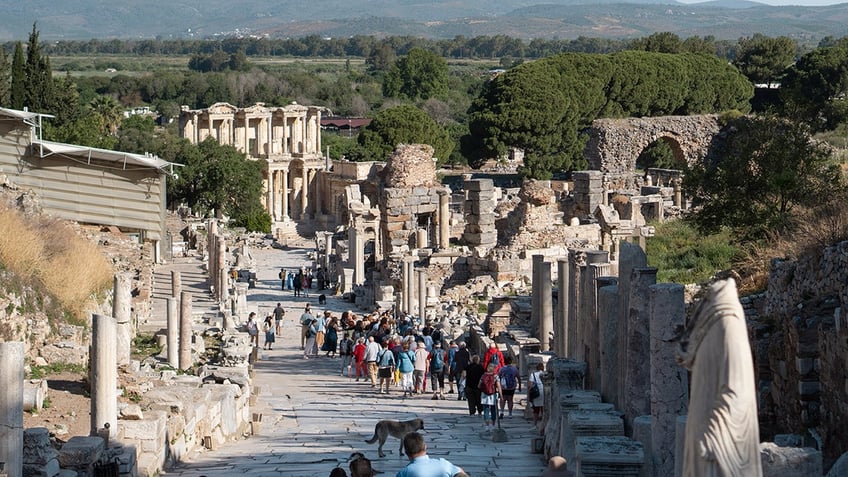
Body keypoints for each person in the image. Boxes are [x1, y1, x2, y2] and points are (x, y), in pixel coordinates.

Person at [395, 432, 467, 477]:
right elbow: (460, 472)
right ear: (425, 447)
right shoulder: (443, 464)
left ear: (407, 453)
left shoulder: (404, 473)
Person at [479, 362, 502, 431]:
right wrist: (501, 395)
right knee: (493, 410)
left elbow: (479, 385)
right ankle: (493, 424)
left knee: (486, 410)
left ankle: (486, 425)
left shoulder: (483, 376)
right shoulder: (495, 376)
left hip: (484, 394)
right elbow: (498, 386)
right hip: (493, 394)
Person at [529, 362, 545, 427]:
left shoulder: (533, 374)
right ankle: (543, 424)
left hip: (536, 393)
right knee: (543, 410)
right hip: (544, 393)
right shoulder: (545, 374)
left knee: (536, 410)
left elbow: (529, 385)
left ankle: (535, 424)